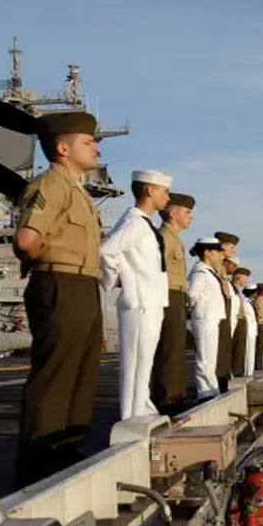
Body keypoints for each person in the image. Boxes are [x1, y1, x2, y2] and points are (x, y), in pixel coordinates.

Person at [12, 109, 104, 488]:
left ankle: (66, 449)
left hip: (83, 285)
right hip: (60, 283)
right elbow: (27, 239)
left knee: (81, 372)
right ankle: (36, 463)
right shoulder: (50, 185)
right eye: (88, 142)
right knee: (55, 374)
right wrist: (46, 262)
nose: (96, 147)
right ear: (63, 148)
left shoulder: (76, 190)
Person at [100, 170, 172, 421]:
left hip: (149, 302)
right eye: (164, 191)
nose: (168, 197)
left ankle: (142, 408)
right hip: (140, 302)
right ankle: (131, 416)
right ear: (150, 191)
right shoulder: (135, 223)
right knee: (135, 363)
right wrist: (119, 281)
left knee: (144, 362)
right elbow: (107, 252)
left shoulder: (143, 223)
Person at [151, 192, 194, 413]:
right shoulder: (163, 238)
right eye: (187, 212)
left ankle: (175, 395)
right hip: (166, 293)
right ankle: (167, 399)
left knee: (176, 347)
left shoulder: (174, 238)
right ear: (173, 213)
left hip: (176, 294)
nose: (191, 217)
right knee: (168, 347)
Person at [187, 237, 226, 400]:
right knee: (204, 357)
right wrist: (197, 310)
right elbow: (192, 294)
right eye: (217, 251)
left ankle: (211, 389)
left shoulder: (208, 271)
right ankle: (204, 391)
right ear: (207, 252)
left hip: (211, 317)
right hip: (204, 317)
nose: (220, 255)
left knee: (210, 357)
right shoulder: (200, 272)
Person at [212, 232, 239, 391]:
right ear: (222, 246)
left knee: (223, 351)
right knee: (214, 353)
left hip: (223, 313)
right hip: (215, 314)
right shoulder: (216, 266)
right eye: (232, 247)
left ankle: (222, 381)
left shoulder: (220, 267)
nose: (234, 250)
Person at [233, 268, 255, 376]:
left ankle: (241, 373)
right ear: (238, 277)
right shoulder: (233, 291)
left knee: (241, 352)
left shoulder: (239, 294)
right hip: (236, 322)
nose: (247, 282)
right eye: (245, 278)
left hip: (243, 324)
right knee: (237, 352)